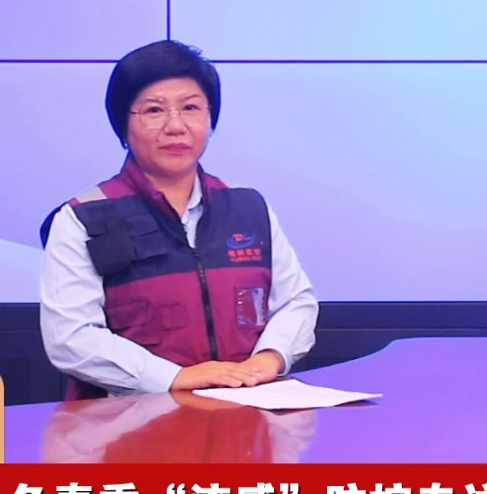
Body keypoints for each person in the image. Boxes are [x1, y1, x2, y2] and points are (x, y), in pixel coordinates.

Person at [40, 40, 317, 399]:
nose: (175, 126)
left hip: (246, 412)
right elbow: (70, 337)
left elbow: (296, 302)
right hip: (130, 421)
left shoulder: (247, 207)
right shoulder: (84, 217)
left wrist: (269, 357)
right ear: (123, 124)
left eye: (190, 108)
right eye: (154, 110)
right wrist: (174, 377)